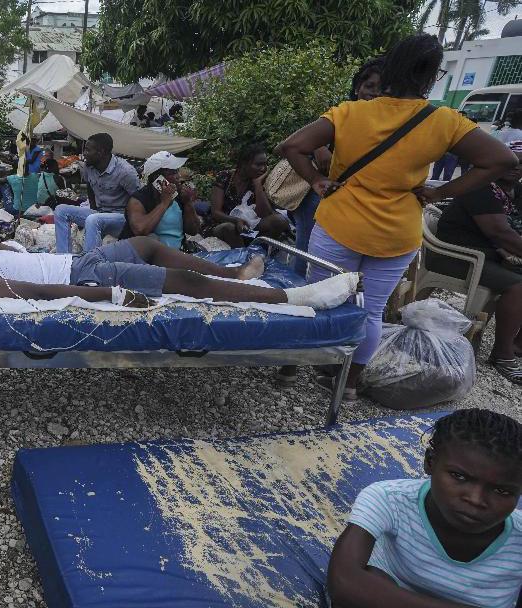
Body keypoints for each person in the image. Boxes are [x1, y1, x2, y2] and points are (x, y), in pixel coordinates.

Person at [278, 33, 516, 400]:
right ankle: (348, 385)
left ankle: (290, 368)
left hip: (340, 223)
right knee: (371, 311)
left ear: (390, 67)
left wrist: (316, 180)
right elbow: (501, 160)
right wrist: (440, 193)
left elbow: (292, 146)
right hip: (397, 232)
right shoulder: (444, 121)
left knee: (318, 299)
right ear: (432, 76)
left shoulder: (351, 112)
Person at [325, 409, 522, 608]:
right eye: (459, 476)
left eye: (501, 491)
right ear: (430, 461)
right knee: (360, 601)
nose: (476, 499)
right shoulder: (389, 499)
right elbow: (344, 582)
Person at [0, 225, 360, 311]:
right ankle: (292, 296)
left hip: (82, 259)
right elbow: (36, 292)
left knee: (147, 244)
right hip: (85, 277)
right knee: (183, 283)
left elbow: (21, 256)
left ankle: (234, 272)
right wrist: (110, 295)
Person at [427, 144, 522, 384]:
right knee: (517, 286)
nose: (516, 167)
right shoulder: (480, 187)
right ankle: (503, 355)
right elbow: (500, 233)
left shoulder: (514, 191)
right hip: (456, 256)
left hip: (490, 255)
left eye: (521, 163)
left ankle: (516, 343)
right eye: (511, 161)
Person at [289, 57, 386, 277]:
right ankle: (296, 289)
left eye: (381, 89)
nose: (374, 93)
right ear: (357, 87)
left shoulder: (387, 124)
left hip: (353, 204)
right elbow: (292, 144)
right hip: (317, 194)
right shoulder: (342, 114)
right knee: (307, 251)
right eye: (369, 86)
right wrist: (319, 148)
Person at [52, 133, 141, 253]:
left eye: (88, 150)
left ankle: (90, 261)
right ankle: (63, 257)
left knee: (93, 219)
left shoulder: (125, 172)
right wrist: (93, 208)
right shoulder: (89, 166)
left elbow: (139, 199)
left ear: (101, 152)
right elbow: (89, 186)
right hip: (99, 213)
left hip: (121, 219)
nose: (84, 154)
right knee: (60, 210)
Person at [208, 143, 293, 248]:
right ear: (244, 164)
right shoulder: (225, 177)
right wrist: (236, 220)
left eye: (265, 165)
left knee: (279, 221)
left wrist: (257, 185)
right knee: (229, 228)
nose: (263, 169)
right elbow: (216, 212)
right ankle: (244, 256)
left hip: (249, 225)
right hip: (224, 224)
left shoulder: (260, 182)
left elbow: (264, 214)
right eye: (258, 165)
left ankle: (258, 250)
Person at [121, 151, 200, 249]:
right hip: (148, 255)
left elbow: (193, 231)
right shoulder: (138, 200)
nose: (178, 176)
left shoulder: (178, 196)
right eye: (172, 172)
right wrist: (164, 203)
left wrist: (188, 203)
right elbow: (140, 230)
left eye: (177, 171)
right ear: (158, 178)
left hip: (178, 252)